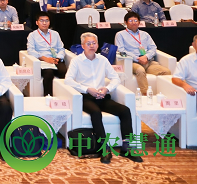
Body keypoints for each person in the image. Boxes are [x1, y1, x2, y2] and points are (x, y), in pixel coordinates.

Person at [65, 32, 141, 163]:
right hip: (86, 97)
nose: (91, 46)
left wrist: (107, 89)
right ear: (83, 46)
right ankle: (104, 148)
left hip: (102, 96)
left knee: (125, 110)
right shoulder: (76, 61)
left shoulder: (103, 60)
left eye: (94, 43)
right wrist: (87, 89)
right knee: (96, 113)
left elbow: (115, 78)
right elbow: (68, 80)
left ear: (97, 45)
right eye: (88, 43)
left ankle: (126, 147)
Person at [114, 11, 171, 95]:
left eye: (136, 21)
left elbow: (153, 48)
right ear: (125, 22)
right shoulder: (120, 35)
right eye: (130, 21)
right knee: (140, 70)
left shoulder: (145, 34)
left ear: (139, 22)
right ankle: (146, 95)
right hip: (132, 62)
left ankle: (164, 94)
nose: (133, 23)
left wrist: (146, 57)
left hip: (148, 61)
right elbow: (121, 50)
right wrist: (137, 58)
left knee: (166, 71)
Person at [26, 12, 67, 96]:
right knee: (48, 73)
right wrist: (46, 59)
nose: (44, 23)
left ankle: (63, 96)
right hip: (42, 61)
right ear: (37, 22)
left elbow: (61, 48)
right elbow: (31, 50)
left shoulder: (55, 34)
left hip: (56, 59)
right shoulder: (32, 35)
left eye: (47, 21)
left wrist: (58, 58)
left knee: (64, 72)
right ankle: (48, 97)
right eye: (41, 21)